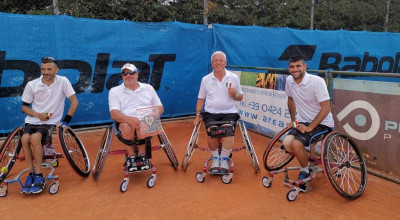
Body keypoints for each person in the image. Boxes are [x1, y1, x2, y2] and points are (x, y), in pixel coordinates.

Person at [21, 56, 78, 194]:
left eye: (49, 69)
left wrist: (66, 121)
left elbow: (74, 102)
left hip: (51, 121)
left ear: (56, 70)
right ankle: (31, 173)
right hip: (33, 119)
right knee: (24, 139)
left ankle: (39, 174)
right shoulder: (32, 84)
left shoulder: (63, 81)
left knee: (35, 138)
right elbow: (24, 108)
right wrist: (36, 114)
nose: (45, 72)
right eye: (43, 69)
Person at [283, 55, 334, 186]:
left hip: (323, 123)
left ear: (305, 67)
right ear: (289, 68)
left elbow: (326, 107)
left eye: (298, 66)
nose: (295, 69)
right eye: (292, 67)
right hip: (304, 122)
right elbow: (290, 99)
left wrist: (310, 127)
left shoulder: (317, 81)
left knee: (296, 144)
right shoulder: (289, 80)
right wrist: (293, 120)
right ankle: (308, 159)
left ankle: (305, 171)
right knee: (287, 143)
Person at [193, 51, 243, 173]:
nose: (218, 63)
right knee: (212, 132)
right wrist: (198, 115)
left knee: (227, 131)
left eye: (221, 60)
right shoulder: (206, 79)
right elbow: (201, 98)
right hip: (211, 113)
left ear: (225, 62)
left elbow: (240, 96)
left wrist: (235, 94)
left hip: (229, 112)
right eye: (215, 60)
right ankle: (216, 159)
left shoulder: (234, 77)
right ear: (212, 63)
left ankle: (224, 159)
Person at [109, 63, 163, 172]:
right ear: (122, 76)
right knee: (127, 126)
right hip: (125, 120)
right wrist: (128, 119)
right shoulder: (114, 91)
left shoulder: (148, 88)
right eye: (125, 73)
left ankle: (143, 155)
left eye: (131, 72)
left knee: (144, 123)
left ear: (137, 74)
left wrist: (151, 116)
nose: (128, 75)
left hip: (147, 119)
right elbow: (114, 113)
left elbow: (160, 107)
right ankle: (131, 156)